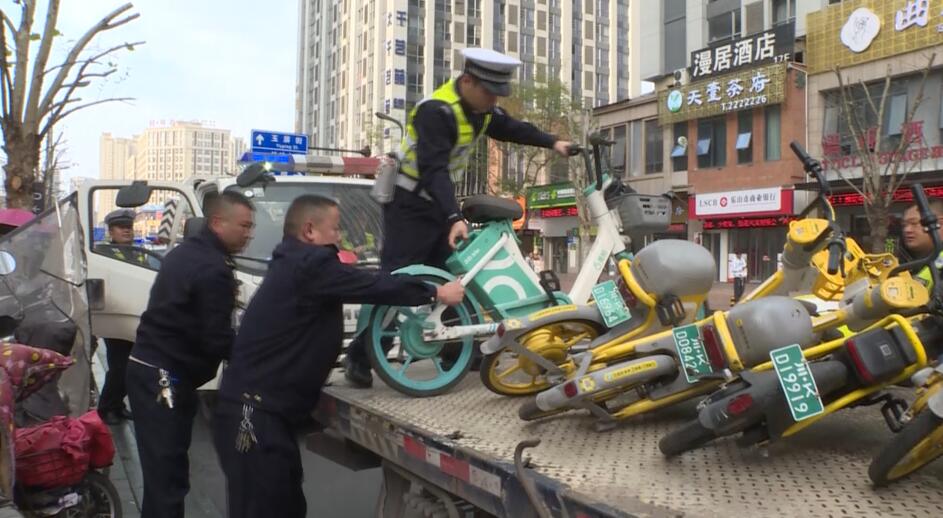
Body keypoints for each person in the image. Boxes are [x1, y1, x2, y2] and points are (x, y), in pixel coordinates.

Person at [213, 195, 464, 518]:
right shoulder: (309, 265)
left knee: (284, 505)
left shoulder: (294, 262)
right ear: (310, 231)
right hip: (254, 414)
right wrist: (435, 291)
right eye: (334, 228)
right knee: (265, 508)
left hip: (263, 411)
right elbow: (370, 284)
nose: (340, 236)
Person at [344, 47, 573, 387]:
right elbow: (433, 170)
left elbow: (512, 128)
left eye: (497, 94)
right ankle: (361, 357)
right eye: (489, 92)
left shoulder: (481, 110)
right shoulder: (436, 111)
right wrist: (454, 216)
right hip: (409, 203)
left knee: (453, 278)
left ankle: (454, 350)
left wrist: (554, 143)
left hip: (437, 203)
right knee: (399, 278)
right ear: (467, 81)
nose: (494, 100)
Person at [126, 191, 254, 518]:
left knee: (161, 475)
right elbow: (216, 338)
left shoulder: (186, 253)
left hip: (151, 370)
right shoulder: (212, 268)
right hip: (164, 378)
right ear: (218, 222)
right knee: (167, 478)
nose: (249, 234)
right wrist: (255, 357)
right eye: (244, 226)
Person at [95, 209, 141, 425]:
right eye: (121, 227)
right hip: (116, 317)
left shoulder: (138, 253)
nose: (126, 231)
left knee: (130, 368)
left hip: (135, 316)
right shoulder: (104, 254)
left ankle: (117, 405)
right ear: (111, 231)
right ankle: (106, 408)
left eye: (129, 227)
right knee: (119, 367)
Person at [901, 198, 943, 290]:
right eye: (904, 225)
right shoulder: (903, 263)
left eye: (914, 223)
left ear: (940, 223)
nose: (907, 230)